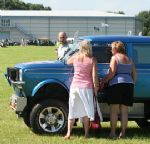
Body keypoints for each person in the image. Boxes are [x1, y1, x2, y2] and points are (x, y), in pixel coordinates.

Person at [64, 40, 101, 139]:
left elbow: (68, 61)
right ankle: (86, 134)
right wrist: (96, 87)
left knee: (72, 110)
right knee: (86, 112)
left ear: (81, 48)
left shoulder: (76, 57)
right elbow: (94, 76)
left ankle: (68, 134)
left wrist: (76, 52)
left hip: (75, 86)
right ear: (89, 48)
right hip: (86, 87)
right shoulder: (92, 59)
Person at [102, 41, 136, 139]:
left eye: (112, 49)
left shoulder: (115, 58)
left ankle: (112, 133)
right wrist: (131, 82)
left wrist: (104, 80)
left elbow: (112, 73)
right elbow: (134, 74)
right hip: (129, 85)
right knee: (124, 111)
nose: (111, 51)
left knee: (114, 110)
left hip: (116, 84)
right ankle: (123, 133)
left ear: (116, 49)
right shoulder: (130, 59)